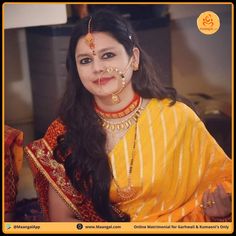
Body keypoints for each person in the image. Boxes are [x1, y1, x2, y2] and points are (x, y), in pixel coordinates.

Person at [25, 10, 232, 222]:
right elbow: (63, 221)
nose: (97, 68)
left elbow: (224, 182)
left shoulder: (178, 118)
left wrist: (220, 212)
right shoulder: (65, 131)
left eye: (108, 55)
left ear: (134, 59)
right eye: (85, 60)